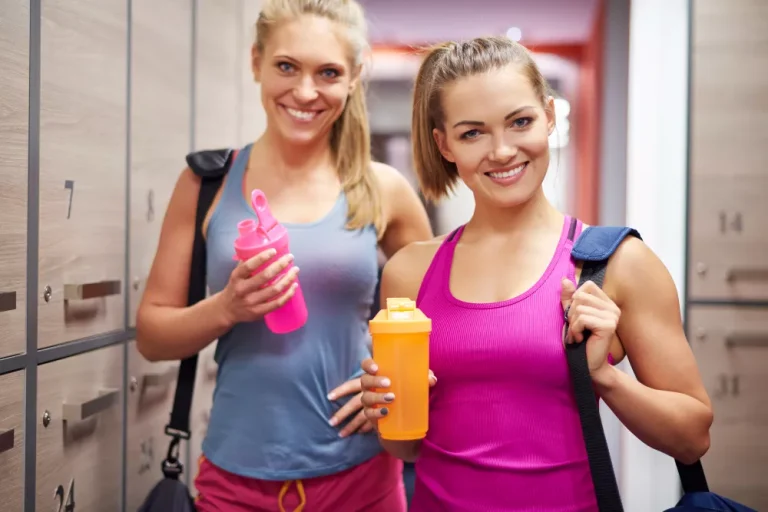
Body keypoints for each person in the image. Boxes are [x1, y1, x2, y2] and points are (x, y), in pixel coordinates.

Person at [360, 36, 714, 511]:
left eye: (520, 122)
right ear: (444, 144)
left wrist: (604, 379)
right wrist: (384, 408)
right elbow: (405, 449)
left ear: (549, 115)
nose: (502, 150)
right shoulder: (408, 274)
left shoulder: (617, 265)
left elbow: (692, 439)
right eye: (473, 133)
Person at [135, 0, 433, 510]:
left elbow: (440, 319)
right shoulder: (206, 185)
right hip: (235, 480)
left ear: (354, 77)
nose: (305, 91)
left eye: (329, 73)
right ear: (256, 62)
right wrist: (226, 308)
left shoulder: (384, 190)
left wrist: (398, 384)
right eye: (286, 66)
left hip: (362, 477)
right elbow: (151, 334)